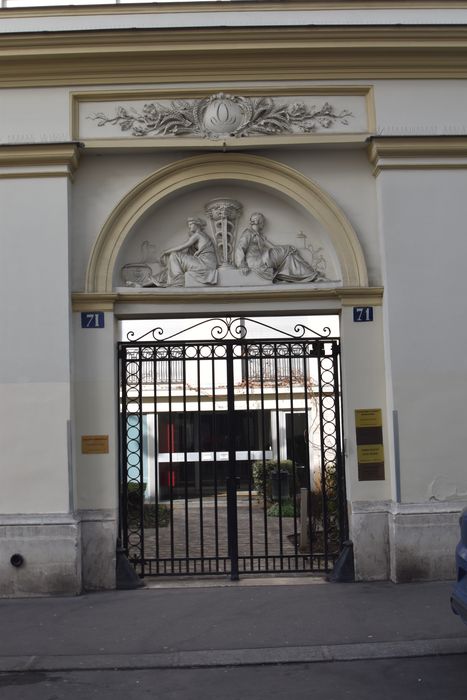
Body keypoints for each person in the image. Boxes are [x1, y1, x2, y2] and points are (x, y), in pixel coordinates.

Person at [235, 212, 323, 283]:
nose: (264, 224)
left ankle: (310, 275)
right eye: (263, 222)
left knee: (289, 255)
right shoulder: (248, 233)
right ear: (258, 221)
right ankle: (311, 274)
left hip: (263, 259)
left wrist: (288, 249)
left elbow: (274, 247)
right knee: (288, 249)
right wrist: (242, 265)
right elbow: (240, 248)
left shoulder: (260, 236)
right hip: (256, 262)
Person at [149, 217, 218, 287]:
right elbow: (187, 253)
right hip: (205, 263)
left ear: (197, 225)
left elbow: (182, 246)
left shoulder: (198, 235)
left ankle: (177, 282)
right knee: (174, 264)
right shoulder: (202, 236)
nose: (189, 226)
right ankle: (158, 279)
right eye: (188, 225)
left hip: (204, 264)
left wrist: (165, 252)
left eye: (191, 224)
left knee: (174, 255)